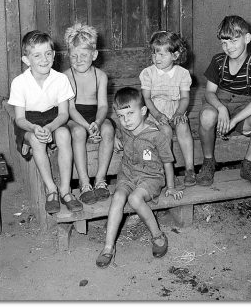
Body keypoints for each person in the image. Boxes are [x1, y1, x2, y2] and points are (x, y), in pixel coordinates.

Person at [96, 87, 183, 268]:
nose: (126, 120)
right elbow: (116, 130)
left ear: (143, 111)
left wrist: (171, 186)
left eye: (130, 113)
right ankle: (108, 246)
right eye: (121, 116)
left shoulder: (156, 135)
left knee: (135, 198)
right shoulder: (124, 129)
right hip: (127, 175)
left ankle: (157, 235)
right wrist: (117, 138)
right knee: (118, 197)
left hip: (151, 178)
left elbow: (167, 162)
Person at [8, 30, 83, 214]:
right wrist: (34, 128)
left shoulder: (60, 79)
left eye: (48, 53)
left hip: (54, 118)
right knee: (35, 140)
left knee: (64, 133)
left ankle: (65, 189)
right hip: (29, 122)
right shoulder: (19, 82)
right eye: (37, 55)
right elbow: (19, 118)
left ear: (54, 55)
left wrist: (50, 127)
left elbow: (64, 114)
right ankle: (51, 189)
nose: (44, 59)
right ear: (27, 60)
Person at [197, 15, 251, 189]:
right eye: (224, 42)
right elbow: (209, 92)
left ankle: (248, 165)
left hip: (243, 110)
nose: (228, 47)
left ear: (247, 38)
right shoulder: (218, 61)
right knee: (207, 116)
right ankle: (208, 162)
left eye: (233, 41)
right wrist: (221, 108)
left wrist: (235, 120)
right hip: (219, 103)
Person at [64, 23, 114, 204]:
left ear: (94, 55)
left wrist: (98, 123)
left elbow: (102, 106)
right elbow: (69, 109)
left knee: (108, 129)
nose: (78, 60)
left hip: (95, 114)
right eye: (74, 55)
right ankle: (84, 183)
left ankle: (100, 180)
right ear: (68, 55)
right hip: (74, 116)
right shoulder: (66, 76)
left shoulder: (100, 76)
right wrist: (86, 126)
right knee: (78, 132)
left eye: (83, 55)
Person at [139, 31, 196, 187]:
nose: (157, 58)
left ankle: (190, 168)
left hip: (176, 109)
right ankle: (166, 168)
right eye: (154, 53)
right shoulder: (148, 73)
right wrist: (157, 114)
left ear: (175, 55)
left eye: (162, 55)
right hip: (155, 112)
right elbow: (147, 98)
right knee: (166, 131)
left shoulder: (183, 74)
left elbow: (184, 98)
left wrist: (179, 113)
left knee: (183, 126)